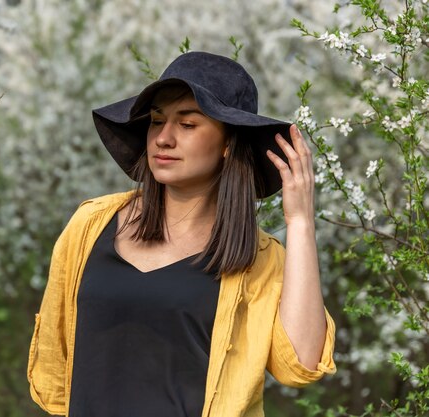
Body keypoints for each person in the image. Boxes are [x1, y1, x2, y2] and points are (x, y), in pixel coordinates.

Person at [27, 51, 336, 417]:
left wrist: (300, 222)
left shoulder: (257, 258)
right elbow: (53, 366)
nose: (164, 138)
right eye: (157, 122)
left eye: (187, 125)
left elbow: (300, 363)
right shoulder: (91, 225)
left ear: (227, 143)